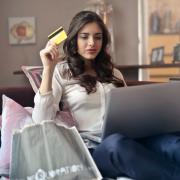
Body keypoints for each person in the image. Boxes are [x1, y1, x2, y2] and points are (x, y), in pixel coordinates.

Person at [32, 11, 180, 180]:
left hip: (130, 138)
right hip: (95, 150)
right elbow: (41, 120)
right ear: (74, 40)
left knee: (172, 144)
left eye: (98, 37)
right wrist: (48, 69)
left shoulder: (114, 73)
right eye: (84, 37)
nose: (91, 43)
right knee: (116, 145)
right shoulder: (61, 72)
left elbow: (130, 109)